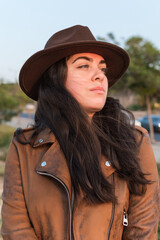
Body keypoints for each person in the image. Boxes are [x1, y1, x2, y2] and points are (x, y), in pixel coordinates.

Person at [1, 25, 159, 240]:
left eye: (102, 68)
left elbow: (143, 229)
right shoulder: (24, 147)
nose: (100, 76)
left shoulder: (134, 142)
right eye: (84, 65)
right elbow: (15, 227)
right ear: (56, 80)